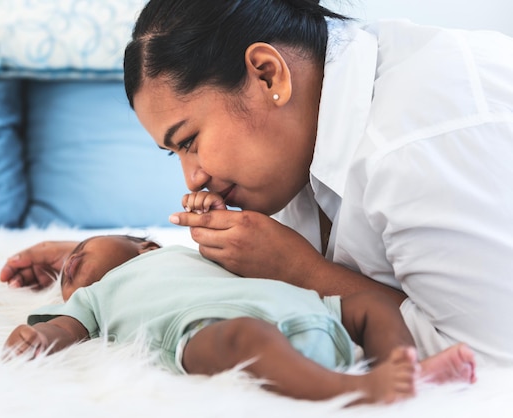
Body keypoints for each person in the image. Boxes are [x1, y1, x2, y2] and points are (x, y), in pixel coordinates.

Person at [119, 0, 513, 365]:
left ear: (268, 75)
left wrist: (300, 271)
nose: (193, 179)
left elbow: (488, 362)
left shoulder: (416, 146)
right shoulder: (299, 139)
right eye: (176, 153)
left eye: (189, 141)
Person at [4, 230, 476, 405]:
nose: (70, 263)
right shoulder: (96, 296)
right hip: (206, 330)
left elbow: (237, 241)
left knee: (372, 305)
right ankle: (354, 390)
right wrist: (35, 337)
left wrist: (212, 216)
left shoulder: (192, 254)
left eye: (83, 247)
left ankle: (402, 365)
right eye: (66, 272)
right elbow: (64, 327)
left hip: (309, 311)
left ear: (145, 244)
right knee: (245, 338)